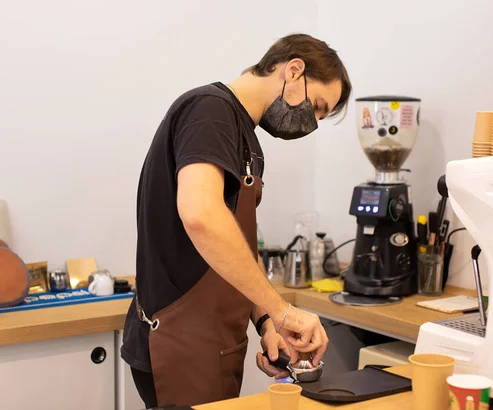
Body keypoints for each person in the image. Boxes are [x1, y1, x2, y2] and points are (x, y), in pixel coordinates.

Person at [121, 33, 352, 408]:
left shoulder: (243, 133)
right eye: (318, 106)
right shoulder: (210, 111)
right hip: (180, 345)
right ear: (294, 70)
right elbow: (201, 217)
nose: (313, 123)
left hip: (211, 345)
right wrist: (284, 310)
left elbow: (237, 242)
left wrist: (267, 322)